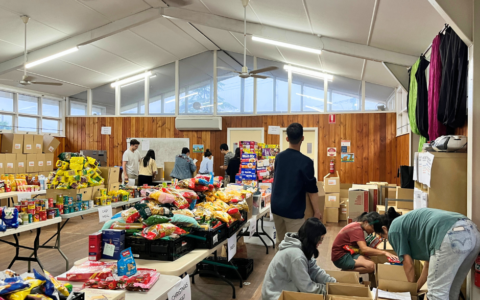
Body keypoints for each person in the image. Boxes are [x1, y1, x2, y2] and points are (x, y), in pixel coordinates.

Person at [376, 207, 480, 299]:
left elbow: (408, 265)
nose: (389, 240)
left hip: (451, 234)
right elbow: (428, 265)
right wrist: (416, 288)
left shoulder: (394, 229)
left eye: (384, 237)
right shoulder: (412, 224)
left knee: (436, 293)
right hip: (473, 232)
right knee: (452, 289)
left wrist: (409, 293)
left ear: (384, 229)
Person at [271, 123, 322, 249]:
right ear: (302, 138)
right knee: (295, 247)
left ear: (287, 138)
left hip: (276, 207)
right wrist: (317, 211)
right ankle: (291, 268)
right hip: (293, 210)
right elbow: (312, 189)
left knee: (281, 244)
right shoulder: (306, 162)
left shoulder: (279, 157)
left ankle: (280, 267)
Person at [262, 218, 336, 300]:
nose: (321, 242)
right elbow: (307, 288)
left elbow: (314, 270)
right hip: (275, 296)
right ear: (313, 237)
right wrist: (327, 291)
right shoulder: (296, 256)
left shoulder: (303, 246)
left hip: (286, 289)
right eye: (320, 239)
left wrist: (333, 284)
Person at [331, 212, 398, 274]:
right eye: (372, 228)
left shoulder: (357, 226)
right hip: (341, 257)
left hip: (348, 252)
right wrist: (385, 252)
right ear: (366, 222)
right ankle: (345, 274)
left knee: (369, 259)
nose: (373, 231)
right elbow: (364, 249)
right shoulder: (357, 229)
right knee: (371, 266)